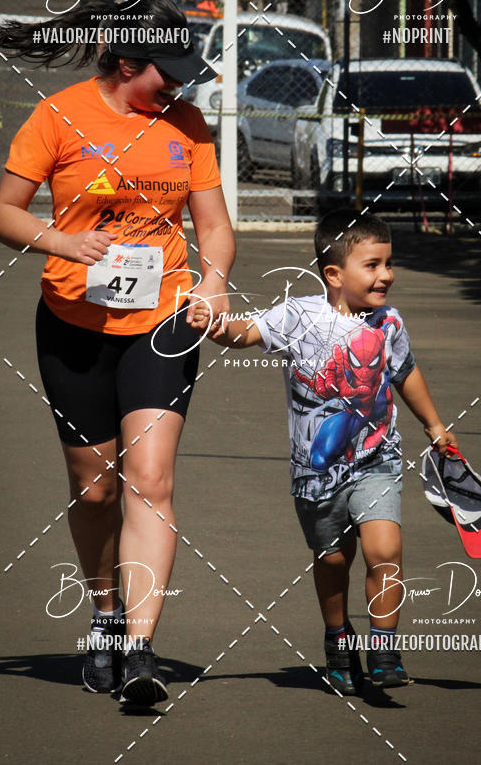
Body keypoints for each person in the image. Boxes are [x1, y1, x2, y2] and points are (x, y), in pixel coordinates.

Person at [0, 0, 235, 706]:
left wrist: (213, 286)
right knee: (95, 490)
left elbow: (214, 228)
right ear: (127, 62)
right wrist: (63, 241)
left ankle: (140, 651)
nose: (181, 85)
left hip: (163, 324)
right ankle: (105, 615)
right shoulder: (57, 116)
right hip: (73, 327)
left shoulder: (187, 125)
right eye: (168, 71)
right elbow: (2, 210)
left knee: (149, 483)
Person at [191, 209, 456, 692]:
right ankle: (338, 639)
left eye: (389, 264)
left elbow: (405, 373)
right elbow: (246, 334)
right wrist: (214, 323)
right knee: (333, 560)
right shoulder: (298, 316)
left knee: (385, 549)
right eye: (372, 265)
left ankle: (383, 649)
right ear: (334, 274)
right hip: (315, 474)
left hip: (377, 461)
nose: (386, 276)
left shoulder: (388, 323)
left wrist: (434, 425)